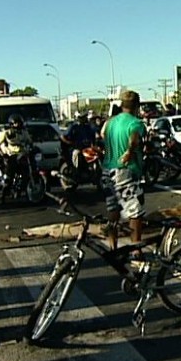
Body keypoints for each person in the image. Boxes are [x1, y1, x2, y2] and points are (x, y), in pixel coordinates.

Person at [101, 90, 146, 251]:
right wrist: (129, 152)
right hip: (125, 171)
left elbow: (102, 134)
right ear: (137, 106)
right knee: (135, 212)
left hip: (107, 170)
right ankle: (136, 251)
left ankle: (113, 247)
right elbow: (134, 138)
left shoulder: (110, 122)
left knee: (113, 210)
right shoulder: (136, 123)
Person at [0, 114, 32, 202]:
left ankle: (23, 189)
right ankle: (5, 192)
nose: (18, 125)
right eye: (16, 123)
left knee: (27, 173)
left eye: (19, 123)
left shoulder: (24, 132)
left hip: (23, 155)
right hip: (12, 155)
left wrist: (31, 147)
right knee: (9, 176)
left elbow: (29, 141)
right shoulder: (7, 132)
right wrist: (3, 154)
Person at [60, 111, 98, 178]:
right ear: (78, 118)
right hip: (76, 149)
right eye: (82, 117)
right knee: (77, 154)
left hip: (87, 149)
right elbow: (63, 136)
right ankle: (76, 171)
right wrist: (69, 143)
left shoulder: (88, 127)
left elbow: (94, 136)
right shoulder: (73, 127)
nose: (84, 118)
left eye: (85, 117)